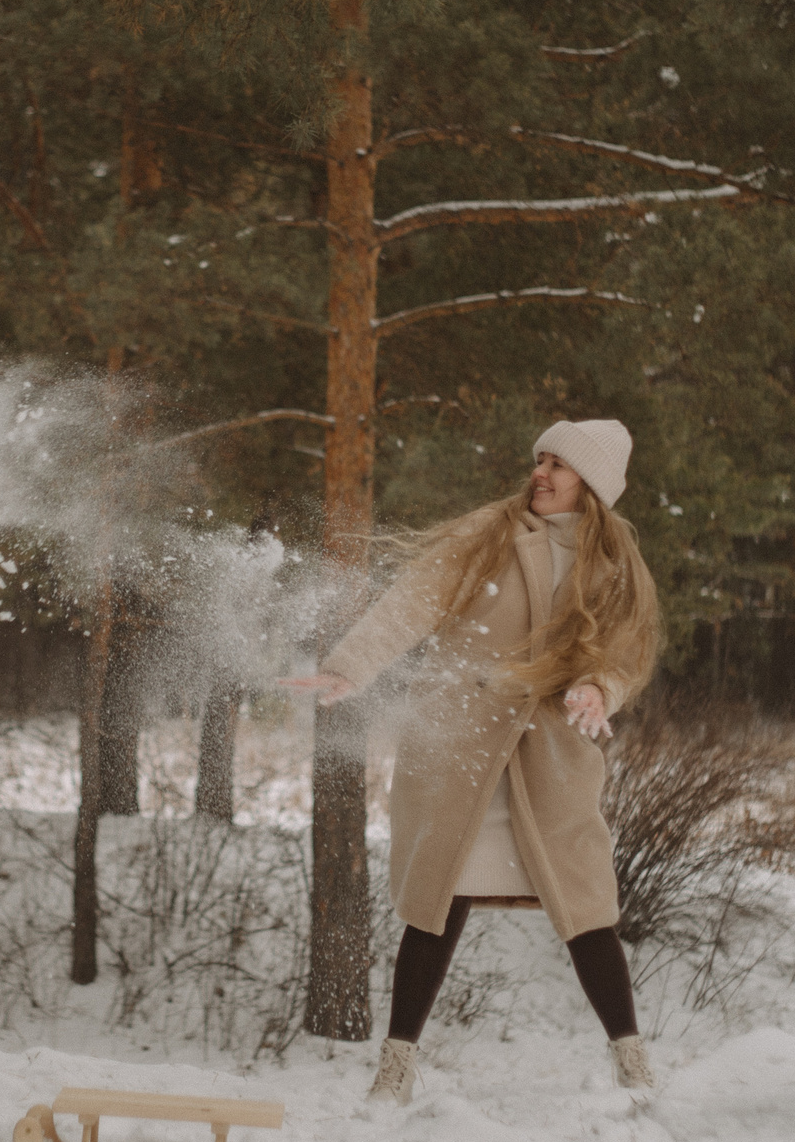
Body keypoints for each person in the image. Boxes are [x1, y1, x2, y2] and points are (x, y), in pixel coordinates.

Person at [283, 420, 661, 1104]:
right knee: (437, 904)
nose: (540, 472)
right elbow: (411, 604)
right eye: (539, 458)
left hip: (547, 758)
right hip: (462, 748)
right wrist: (350, 668)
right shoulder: (492, 533)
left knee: (588, 908)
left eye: (559, 464)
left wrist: (595, 689)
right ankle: (394, 1068)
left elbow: (623, 653)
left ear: (593, 485)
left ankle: (632, 1064)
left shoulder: (614, 565)